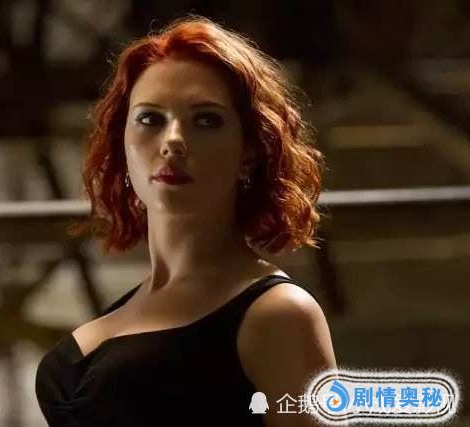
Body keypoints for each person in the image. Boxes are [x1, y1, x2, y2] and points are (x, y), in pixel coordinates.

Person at [36, 14, 337, 427]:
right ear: (122, 143)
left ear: (249, 151)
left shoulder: (278, 315)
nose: (173, 140)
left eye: (206, 120)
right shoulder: (135, 304)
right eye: (150, 119)